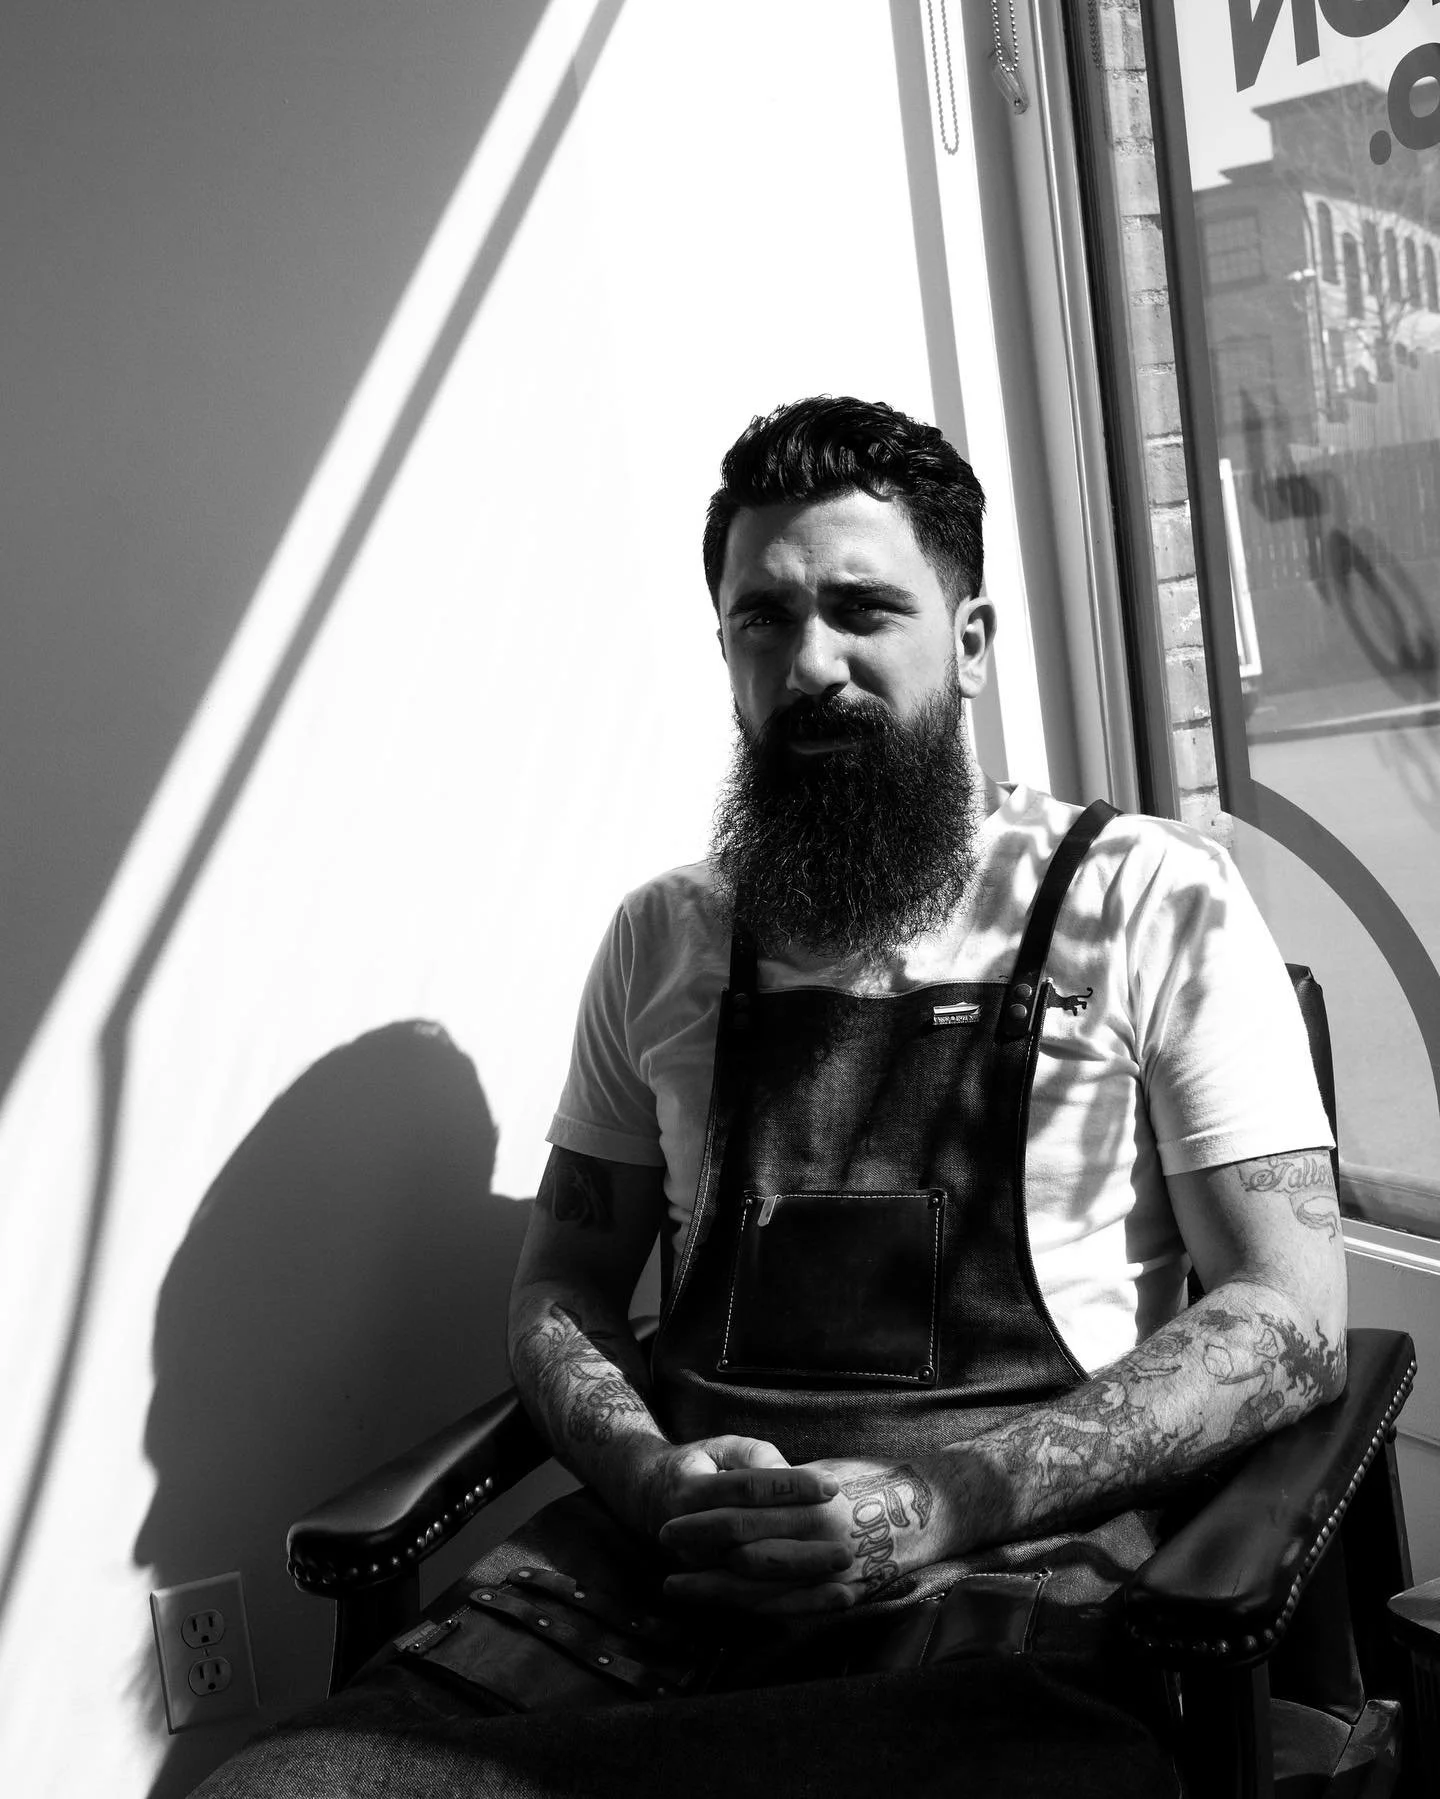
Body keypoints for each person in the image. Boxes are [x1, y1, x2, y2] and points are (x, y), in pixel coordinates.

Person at [193, 397, 1345, 1796]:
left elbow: (1289, 1312)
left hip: (1001, 1586)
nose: (812, 665)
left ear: (969, 641)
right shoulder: (661, 940)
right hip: (663, 1585)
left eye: (864, 609)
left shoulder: (1148, 899)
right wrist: (646, 1477)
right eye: (765, 619)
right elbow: (562, 1279)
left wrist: (940, 1501)